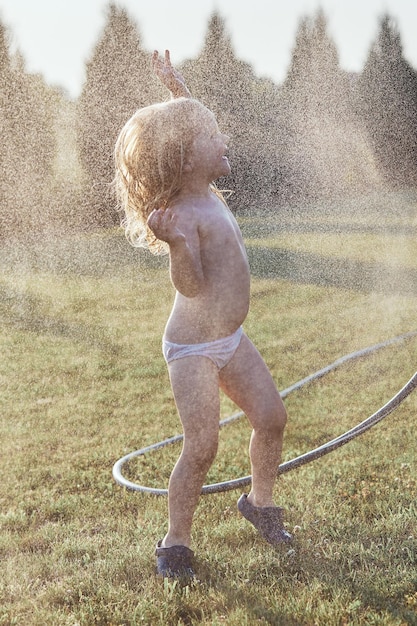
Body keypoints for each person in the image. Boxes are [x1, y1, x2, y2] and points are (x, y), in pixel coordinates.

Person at [114, 50, 291, 581]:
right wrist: (176, 247)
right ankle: (175, 545)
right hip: (193, 348)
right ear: (189, 158)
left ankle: (260, 505)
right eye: (214, 137)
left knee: (272, 418)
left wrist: (177, 87)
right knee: (203, 446)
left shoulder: (204, 187)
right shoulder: (185, 213)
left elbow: (186, 124)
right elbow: (190, 287)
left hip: (230, 339)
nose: (224, 139)